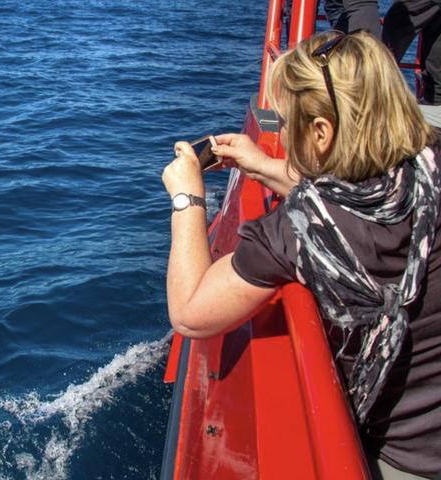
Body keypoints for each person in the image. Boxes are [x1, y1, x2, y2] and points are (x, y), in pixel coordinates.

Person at [161, 31, 440, 479]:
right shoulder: (429, 161)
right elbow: (358, 200)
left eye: (287, 121)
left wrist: (187, 199)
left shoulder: (301, 229)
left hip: (408, 454)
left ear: (321, 133)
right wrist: (262, 166)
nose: (282, 133)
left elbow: (191, 314)